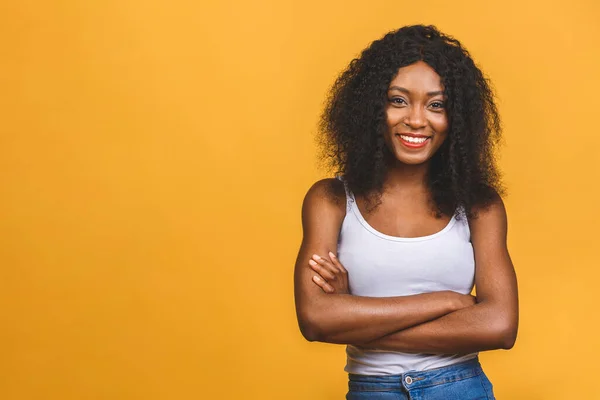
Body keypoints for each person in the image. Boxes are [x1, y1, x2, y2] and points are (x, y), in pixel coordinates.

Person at [293, 25, 518, 400]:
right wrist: (445, 302)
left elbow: (500, 326)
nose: (416, 120)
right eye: (398, 100)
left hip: (460, 389)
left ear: (457, 118)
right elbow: (316, 320)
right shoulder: (331, 200)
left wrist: (353, 317)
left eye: (436, 104)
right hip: (371, 391)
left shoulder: (479, 205)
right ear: (371, 109)